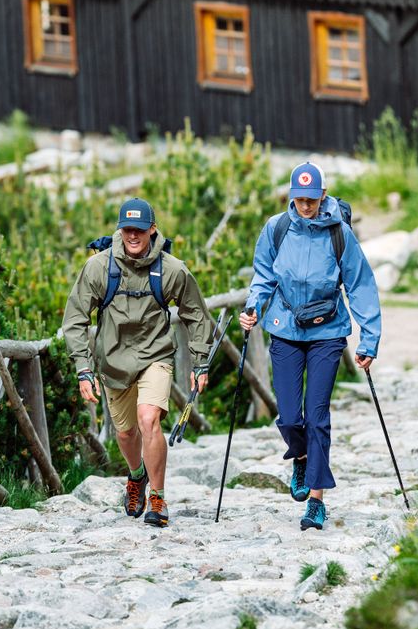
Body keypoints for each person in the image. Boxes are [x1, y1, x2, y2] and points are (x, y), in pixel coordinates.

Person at [240, 161, 381, 531]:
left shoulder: (339, 233)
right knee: (288, 415)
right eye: (299, 199)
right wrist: (253, 306)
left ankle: (316, 500)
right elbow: (263, 274)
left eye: (311, 198)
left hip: (327, 333)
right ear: (292, 196)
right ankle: (299, 456)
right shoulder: (276, 228)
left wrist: (369, 339)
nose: (306, 205)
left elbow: (361, 284)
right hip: (285, 328)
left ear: (323, 194)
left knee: (316, 416)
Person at [62, 198, 213, 526]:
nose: (133, 236)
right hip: (113, 361)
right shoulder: (99, 268)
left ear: (152, 230)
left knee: (149, 421)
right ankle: (136, 476)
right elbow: (74, 319)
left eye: (140, 230)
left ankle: (157, 498)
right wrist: (82, 369)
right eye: (127, 229)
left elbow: (196, 315)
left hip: (155, 355)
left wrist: (201, 362)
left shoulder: (171, 270)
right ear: (120, 230)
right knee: (126, 433)